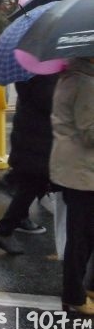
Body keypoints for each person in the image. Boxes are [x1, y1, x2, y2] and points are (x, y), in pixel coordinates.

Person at [0, 73, 58, 255]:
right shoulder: (43, 75)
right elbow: (50, 102)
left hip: (33, 137)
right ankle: (3, 230)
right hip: (38, 140)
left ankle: (13, 186)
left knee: (33, 184)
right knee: (33, 185)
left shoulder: (32, 71)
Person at [49, 57, 94, 315]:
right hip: (82, 170)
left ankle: (85, 288)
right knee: (81, 236)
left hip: (76, 167)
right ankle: (73, 296)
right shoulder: (85, 83)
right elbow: (89, 132)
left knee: (85, 233)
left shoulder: (72, 77)